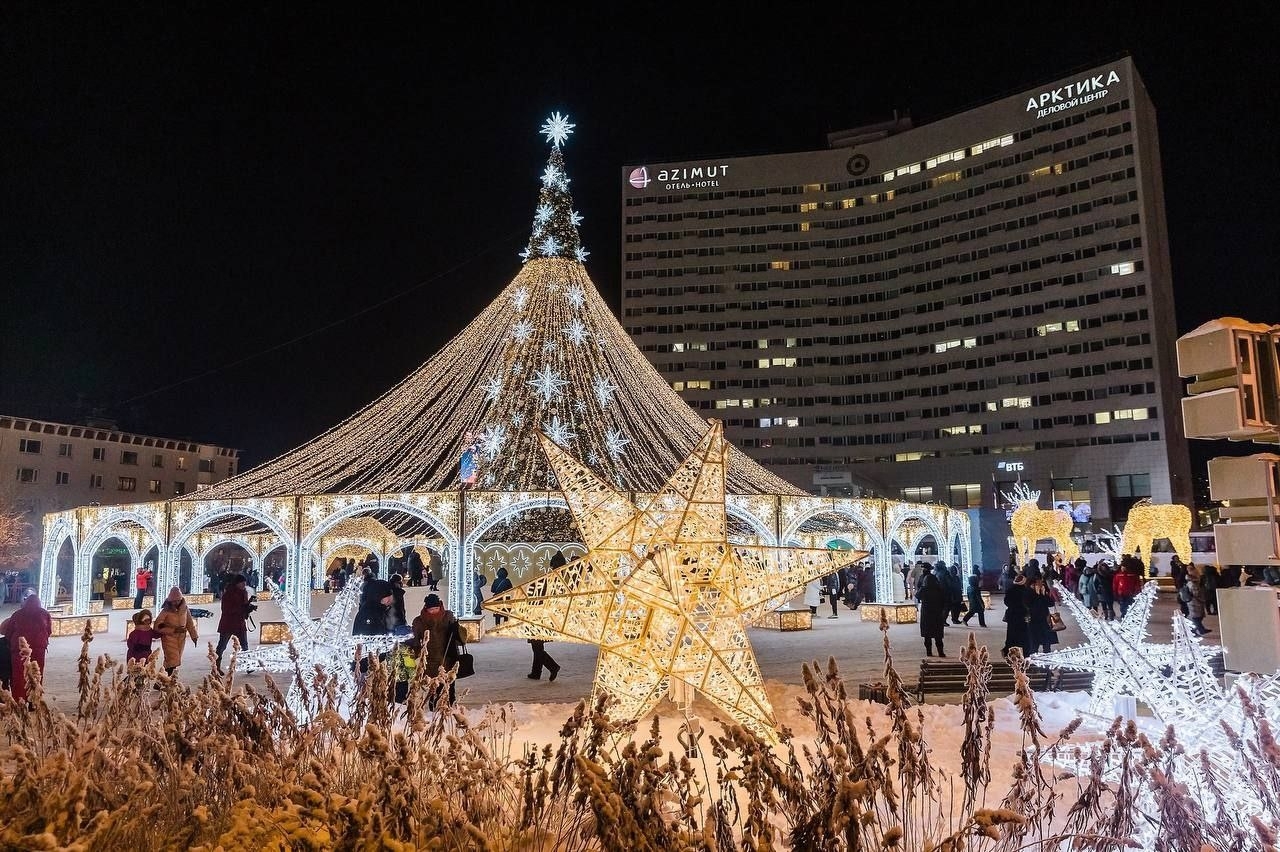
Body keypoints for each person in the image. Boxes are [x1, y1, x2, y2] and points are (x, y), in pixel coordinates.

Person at [409, 593, 462, 708]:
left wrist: (457, 631)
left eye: (436, 609)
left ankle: (450, 705)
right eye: (431, 609)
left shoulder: (448, 616)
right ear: (426, 608)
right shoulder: (419, 621)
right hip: (431, 659)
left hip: (448, 655)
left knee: (449, 683)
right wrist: (415, 654)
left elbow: (458, 637)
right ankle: (434, 706)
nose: (434, 612)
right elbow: (416, 640)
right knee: (434, 684)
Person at [0, 589, 53, 701]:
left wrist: (10, 645)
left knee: (19, 676)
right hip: (39, 649)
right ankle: (34, 701)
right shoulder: (45, 614)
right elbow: (49, 631)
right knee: (36, 674)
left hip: (19, 650)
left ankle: (20, 701)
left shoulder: (17, 614)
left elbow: (7, 632)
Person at [153, 587, 198, 677]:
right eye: (174, 601)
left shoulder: (184, 609)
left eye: (178, 600)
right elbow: (157, 626)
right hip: (169, 638)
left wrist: (194, 636)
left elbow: (189, 623)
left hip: (181, 639)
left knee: (175, 660)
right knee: (171, 660)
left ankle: (163, 681)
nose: (176, 603)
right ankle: (164, 680)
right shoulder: (165, 611)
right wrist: (173, 630)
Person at [214, 574, 252, 673]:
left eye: (245, 583)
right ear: (237, 583)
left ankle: (248, 665)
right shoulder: (228, 594)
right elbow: (226, 609)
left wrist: (248, 609)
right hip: (228, 623)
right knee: (222, 646)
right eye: (242, 583)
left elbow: (244, 606)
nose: (244, 584)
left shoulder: (244, 593)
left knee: (245, 645)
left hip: (240, 622)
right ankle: (216, 667)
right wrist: (241, 609)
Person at [1001, 571, 1032, 659]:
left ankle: (1007, 650)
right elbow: (1028, 603)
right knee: (1025, 635)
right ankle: (1026, 653)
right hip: (1022, 615)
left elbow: (1006, 602)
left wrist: (1013, 606)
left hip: (1012, 615)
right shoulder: (1026, 591)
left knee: (1011, 633)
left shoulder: (1010, 590)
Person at [916, 571, 947, 657]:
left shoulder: (924, 589)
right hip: (937, 613)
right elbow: (944, 600)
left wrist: (922, 586)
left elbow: (917, 596)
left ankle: (929, 652)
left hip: (926, 613)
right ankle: (941, 652)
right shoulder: (939, 589)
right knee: (938, 635)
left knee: (927, 635)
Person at [354, 569, 394, 635]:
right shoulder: (370, 613)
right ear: (380, 595)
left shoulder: (378, 609)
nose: (391, 598)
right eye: (388, 595)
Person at [1026, 574, 1058, 654]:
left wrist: (1043, 595)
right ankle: (1034, 655)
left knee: (1046, 640)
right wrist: (1037, 595)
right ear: (1032, 584)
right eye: (1038, 583)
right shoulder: (1027, 592)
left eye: (1041, 582)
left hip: (1045, 619)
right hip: (1033, 619)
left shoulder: (1043, 591)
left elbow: (1050, 603)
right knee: (1034, 640)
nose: (1040, 585)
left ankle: (1047, 654)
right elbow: (1029, 604)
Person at [1180, 564, 1211, 636]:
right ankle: (1194, 630)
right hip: (1195, 602)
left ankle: (1199, 629)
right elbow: (1196, 594)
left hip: (1194, 602)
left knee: (1198, 616)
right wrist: (1202, 598)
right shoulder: (1193, 583)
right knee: (1196, 617)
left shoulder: (1191, 582)